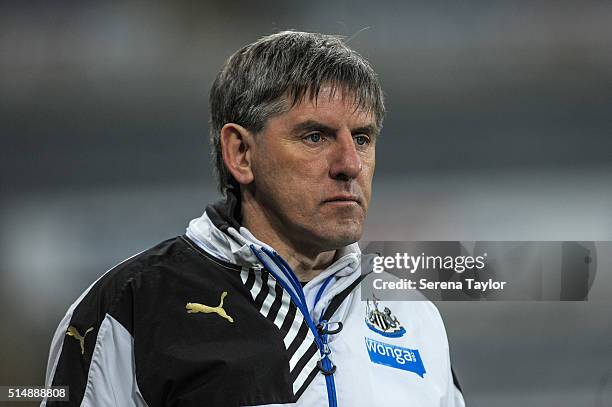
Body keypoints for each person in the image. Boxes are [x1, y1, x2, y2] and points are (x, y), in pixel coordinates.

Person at [43, 31, 465, 407]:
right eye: (315, 136)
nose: (350, 164)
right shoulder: (128, 307)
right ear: (241, 154)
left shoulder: (414, 317)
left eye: (362, 138)